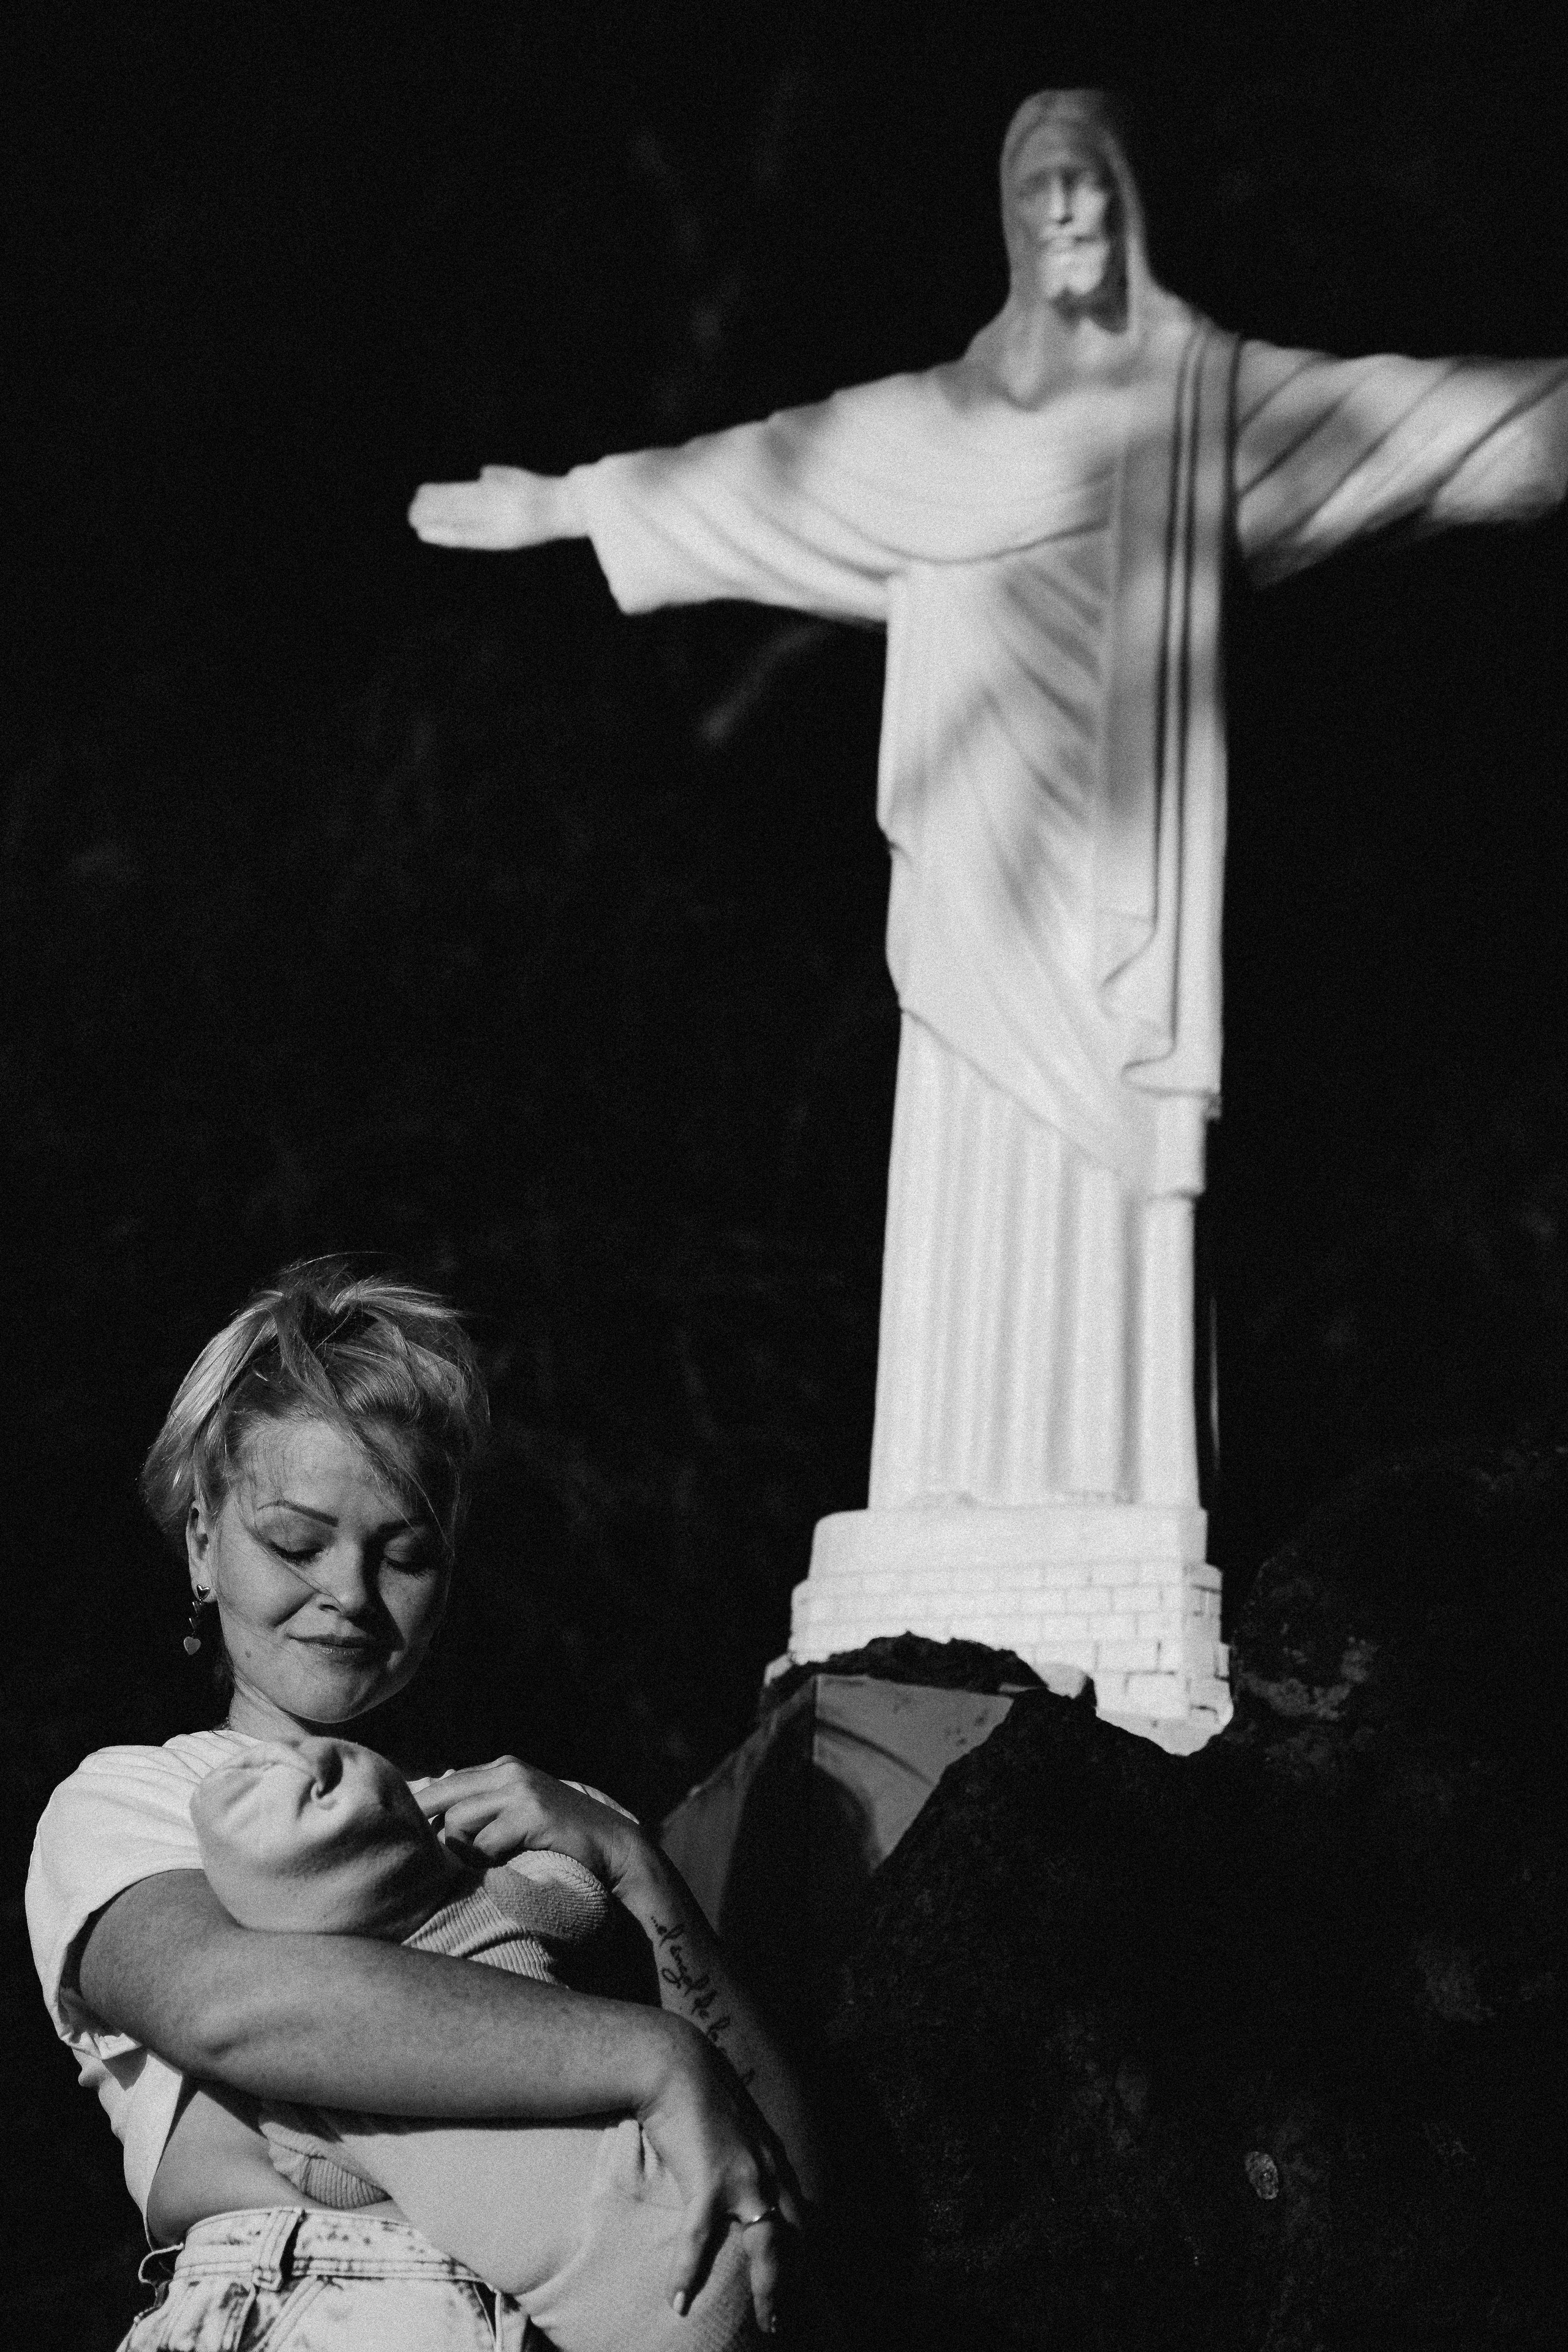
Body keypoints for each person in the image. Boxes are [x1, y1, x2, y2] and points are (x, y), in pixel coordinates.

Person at [410, 88, 1568, 1532]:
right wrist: (575, 503)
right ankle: (950, 1502)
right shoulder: (932, 428)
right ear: (1013, 225)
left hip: (1118, 873)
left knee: (1115, 1162)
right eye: (1043, 195)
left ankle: (1115, 1499)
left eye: (1091, 190)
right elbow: (773, 477)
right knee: (971, 1152)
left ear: (1130, 210)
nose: (1069, 217)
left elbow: (1417, 424)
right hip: (973, 862)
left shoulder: (1201, 403)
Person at [26, 1260, 816, 2350]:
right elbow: (233, 2006)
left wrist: (638, 1869)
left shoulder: (555, 1822)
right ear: (203, 1540)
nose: (349, 1593)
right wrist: (649, 2058)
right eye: (295, 1542)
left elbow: (782, 2195)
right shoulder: (139, 1797)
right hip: (304, 2307)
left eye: (404, 1554)